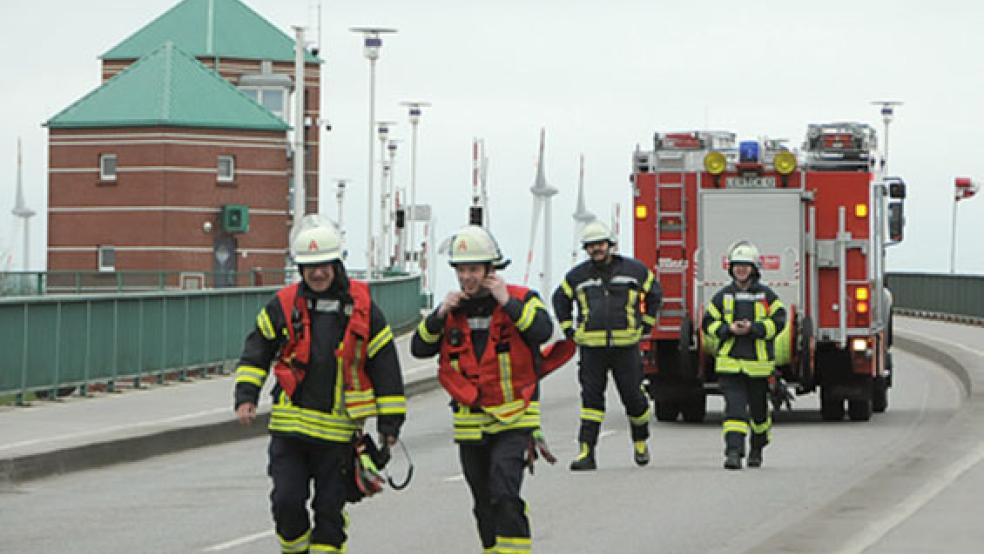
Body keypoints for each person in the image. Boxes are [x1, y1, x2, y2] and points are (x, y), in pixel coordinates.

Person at [234, 215, 406, 553]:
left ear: (337, 262)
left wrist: (390, 424)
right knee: (287, 503)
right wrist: (246, 396)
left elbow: (386, 367)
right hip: (290, 434)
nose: (317, 273)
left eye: (324, 265)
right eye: (309, 266)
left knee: (329, 514)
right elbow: (256, 351)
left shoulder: (364, 308)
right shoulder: (283, 305)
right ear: (300, 268)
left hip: (337, 438)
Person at [411, 225, 566, 554]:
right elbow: (419, 349)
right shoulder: (452, 311)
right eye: (461, 270)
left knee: (504, 494)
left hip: (514, 420)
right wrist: (439, 314)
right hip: (471, 426)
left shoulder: (522, 299)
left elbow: (541, 331)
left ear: (490, 270)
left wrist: (507, 302)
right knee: (483, 502)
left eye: (474, 270)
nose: (467, 277)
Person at [553, 220, 661, 471]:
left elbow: (654, 293)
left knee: (634, 399)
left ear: (610, 244)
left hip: (626, 347)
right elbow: (560, 299)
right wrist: (569, 328)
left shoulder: (634, 270)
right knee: (591, 401)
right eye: (590, 246)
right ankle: (586, 452)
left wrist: (646, 324)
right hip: (591, 349)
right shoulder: (577, 276)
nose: (596, 250)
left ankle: (640, 440)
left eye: (600, 244)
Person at [701, 240, 787, 470]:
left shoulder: (767, 296)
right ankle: (733, 452)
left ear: (754, 268)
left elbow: (779, 321)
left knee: (759, 416)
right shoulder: (722, 297)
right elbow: (707, 323)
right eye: (737, 265)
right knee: (735, 411)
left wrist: (754, 329)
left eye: (745, 266)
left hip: (758, 367)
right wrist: (727, 329)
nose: (740, 270)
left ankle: (757, 446)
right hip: (730, 366)